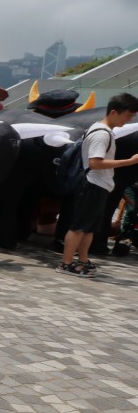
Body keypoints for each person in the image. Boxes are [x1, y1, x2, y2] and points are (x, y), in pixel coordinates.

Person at [56, 93, 138, 277]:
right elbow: (95, 163)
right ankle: (66, 263)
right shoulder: (102, 134)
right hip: (92, 184)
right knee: (79, 227)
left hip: (98, 185)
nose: (129, 120)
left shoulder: (103, 130)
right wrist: (129, 161)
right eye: (128, 115)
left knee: (88, 228)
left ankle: (82, 259)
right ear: (114, 112)